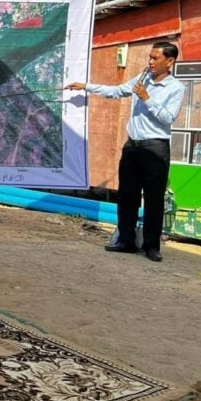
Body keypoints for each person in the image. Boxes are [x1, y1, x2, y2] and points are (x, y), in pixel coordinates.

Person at [67, 41, 185, 262]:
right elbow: (116, 91)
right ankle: (126, 240)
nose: (150, 62)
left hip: (155, 147)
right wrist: (85, 86)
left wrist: (146, 98)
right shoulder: (142, 80)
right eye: (149, 57)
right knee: (127, 195)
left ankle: (151, 246)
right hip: (133, 146)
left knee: (153, 198)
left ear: (169, 61)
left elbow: (168, 118)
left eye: (155, 58)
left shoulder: (176, 88)